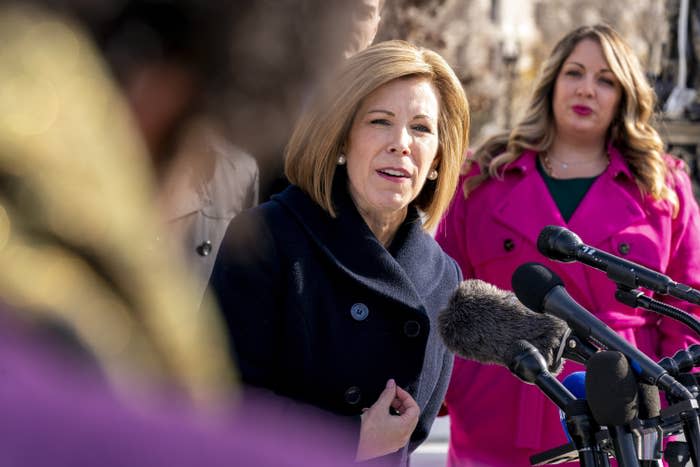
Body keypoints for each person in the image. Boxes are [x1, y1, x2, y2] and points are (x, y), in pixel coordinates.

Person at [436, 23, 700, 466]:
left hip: (625, 411)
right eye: (574, 73)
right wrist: (453, 387)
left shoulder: (663, 186)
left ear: (624, 96)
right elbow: (440, 288)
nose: (587, 90)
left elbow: (686, 309)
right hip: (503, 400)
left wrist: (673, 417)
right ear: (552, 81)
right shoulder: (483, 177)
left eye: (605, 79)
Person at [208, 39, 470, 465]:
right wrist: (349, 439)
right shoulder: (267, 237)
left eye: (421, 128)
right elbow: (219, 399)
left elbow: (412, 432)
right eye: (380, 121)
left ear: (438, 157)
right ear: (342, 141)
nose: (401, 143)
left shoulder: (443, 275)